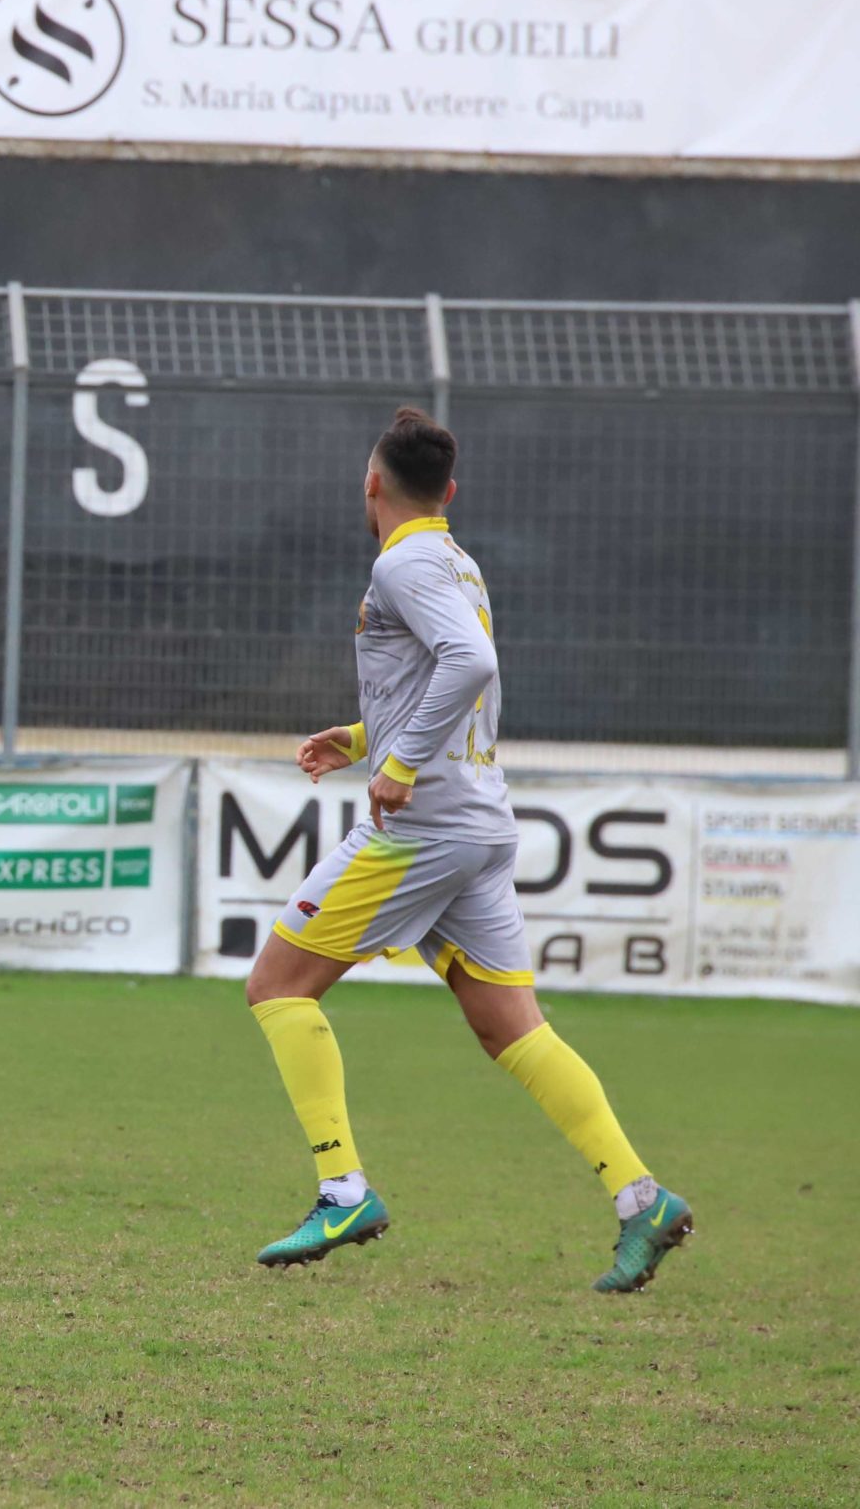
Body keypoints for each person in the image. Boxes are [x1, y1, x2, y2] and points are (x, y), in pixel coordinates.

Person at [244, 407, 693, 1292]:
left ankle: (342, 1190)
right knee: (512, 1029)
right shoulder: (455, 560)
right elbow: (448, 676)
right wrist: (366, 738)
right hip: (479, 825)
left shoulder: (402, 562)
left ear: (372, 483)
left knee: (277, 987)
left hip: (426, 831)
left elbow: (471, 664)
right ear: (446, 491)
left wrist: (399, 764)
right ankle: (642, 1199)